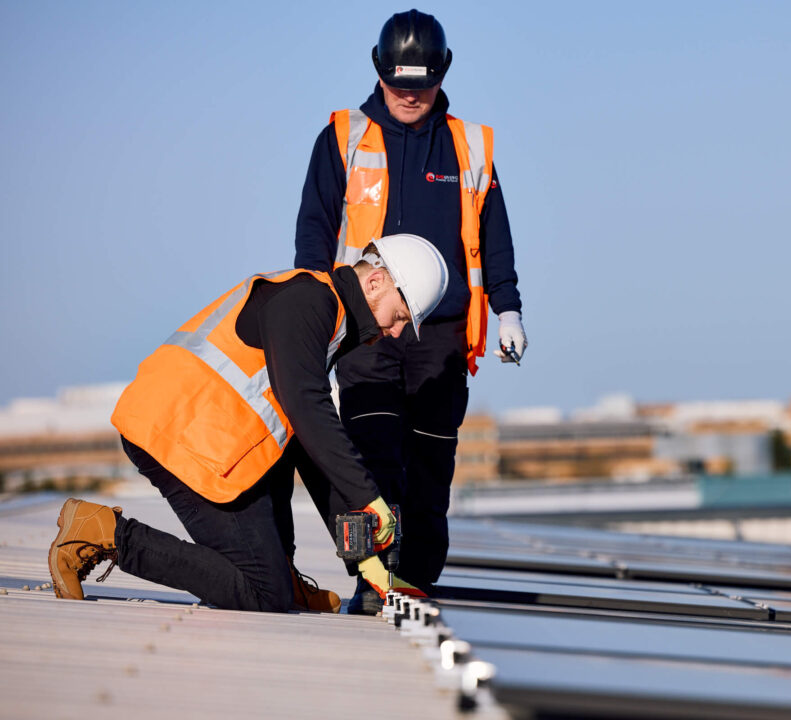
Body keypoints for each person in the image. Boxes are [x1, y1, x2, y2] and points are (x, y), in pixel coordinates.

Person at [47, 234, 448, 612]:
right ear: (375, 282)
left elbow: (307, 448)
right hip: (176, 435)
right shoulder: (308, 301)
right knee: (262, 591)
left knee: (273, 567)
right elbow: (309, 411)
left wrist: (369, 565)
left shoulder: (325, 320)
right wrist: (368, 498)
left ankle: (283, 573)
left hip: (210, 445)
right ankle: (105, 534)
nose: (395, 332)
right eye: (398, 317)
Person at [293, 9, 525, 613]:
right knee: (371, 455)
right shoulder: (343, 137)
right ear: (380, 73)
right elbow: (314, 232)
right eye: (399, 87)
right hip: (364, 329)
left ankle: (418, 579)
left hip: (441, 335)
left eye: (419, 88)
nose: (408, 98)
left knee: (429, 462)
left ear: (440, 77)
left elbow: (494, 234)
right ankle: (372, 580)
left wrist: (508, 308)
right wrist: (316, 313)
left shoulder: (469, 146)